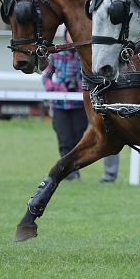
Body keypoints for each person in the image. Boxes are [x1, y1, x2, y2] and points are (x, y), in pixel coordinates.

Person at [42, 29, 88, 181]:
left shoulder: (84, 53)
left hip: (79, 104)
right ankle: (68, 172)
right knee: (64, 139)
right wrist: (54, 88)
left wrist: (79, 86)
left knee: (77, 139)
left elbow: (91, 75)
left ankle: (74, 169)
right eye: (69, 33)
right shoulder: (57, 53)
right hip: (60, 103)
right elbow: (46, 74)